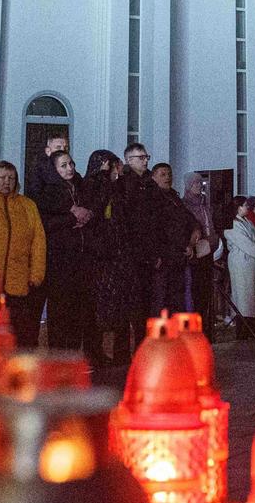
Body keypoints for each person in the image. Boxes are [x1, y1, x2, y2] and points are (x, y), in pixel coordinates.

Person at [0, 161, 46, 345]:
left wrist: (36, 275)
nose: (6, 182)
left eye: (11, 178)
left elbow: (38, 242)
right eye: (2, 177)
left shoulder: (28, 206)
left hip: (20, 283)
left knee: (21, 335)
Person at [38, 150, 92, 352]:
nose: (69, 168)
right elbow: (45, 223)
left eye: (71, 163)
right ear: (54, 170)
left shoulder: (80, 187)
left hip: (81, 258)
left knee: (78, 310)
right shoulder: (49, 192)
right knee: (60, 311)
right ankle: (58, 356)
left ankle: (74, 355)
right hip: (60, 260)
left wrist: (86, 214)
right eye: (63, 165)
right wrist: (71, 218)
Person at [117, 143, 165, 353]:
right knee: (132, 304)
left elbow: (156, 218)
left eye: (146, 157)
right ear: (129, 160)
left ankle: (144, 345)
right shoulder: (125, 184)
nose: (146, 161)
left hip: (149, 250)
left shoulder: (150, 184)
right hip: (132, 252)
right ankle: (127, 349)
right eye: (141, 157)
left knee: (148, 303)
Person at [80, 149, 124, 364]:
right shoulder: (92, 185)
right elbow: (94, 212)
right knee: (94, 306)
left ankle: (100, 351)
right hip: (96, 253)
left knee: (107, 305)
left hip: (111, 252)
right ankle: (92, 351)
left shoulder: (112, 188)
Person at [152, 164, 199, 314]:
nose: (167, 177)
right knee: (162, 300)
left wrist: (193, 236)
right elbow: (162, 229)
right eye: (163, 174)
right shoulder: (153, 199)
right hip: (165, 257)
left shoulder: (174, 198)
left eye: (169, 174)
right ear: (153, 177)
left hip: (180, 258)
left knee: (178, 300)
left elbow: (190, 220)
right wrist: (180, 245)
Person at [223, 198, 255, 342]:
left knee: (254, 295)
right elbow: (243, 241)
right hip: (241, 262)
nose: (247, 208)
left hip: (252, 262)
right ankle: (243, 330)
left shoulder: (246, 221)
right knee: (243, 295)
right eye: (244, 206)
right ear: (238, 207)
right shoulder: (232, 224)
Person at [182, 174, 218, 334]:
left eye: (199, 182)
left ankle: (207, 329)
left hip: (208, 252)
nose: (198, 185)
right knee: (195, 293)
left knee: (205, 294)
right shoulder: (185, 205)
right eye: (195, 183)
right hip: (195, 255)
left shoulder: (205, 205)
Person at [26, 131, 70, 201]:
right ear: (48, 151)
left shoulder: (71, 168)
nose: (63, 150)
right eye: (58, 147)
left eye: (66, 147)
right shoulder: (39, 171)